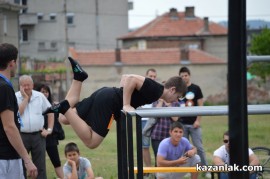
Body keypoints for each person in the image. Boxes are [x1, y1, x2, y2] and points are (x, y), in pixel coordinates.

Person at [43, 57, 187, 150]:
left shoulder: (155, 90)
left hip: (105, 94)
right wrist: (125, 104)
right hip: (109, 104)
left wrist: (128, 99)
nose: (175, 101)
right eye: (177, 97)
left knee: (64, 119)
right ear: (172, 89)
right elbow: (130, 79)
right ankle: (64, 107)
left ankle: (78, 78)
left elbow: (124, 78)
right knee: (92, 142)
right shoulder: (156, 89)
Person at [0, 43, 37, 178]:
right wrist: (27, 160)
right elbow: (9, 126)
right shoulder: (4, 87)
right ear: (12, 63)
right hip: (6, 158)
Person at [16, 75, 54, 179]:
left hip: (38, 135)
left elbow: (51, 112)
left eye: (28, 85)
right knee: (21, 165)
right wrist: (25, 99)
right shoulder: (15, 97)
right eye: (24, 85)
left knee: (40, 165)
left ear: (32, 85)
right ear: (20, 86)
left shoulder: (40, 96)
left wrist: (49, 129)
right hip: (21, 135)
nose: (26, 87)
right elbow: (17, 114)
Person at [178, 66, 211, 178]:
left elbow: (201, 106)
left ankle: (205, 169)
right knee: (185, 148)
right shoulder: (179, 90)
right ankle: (187, 170)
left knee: (199, 147)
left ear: (189, 75)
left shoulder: (196, 88)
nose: (184, 77)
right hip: (182, 124)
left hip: (194, 124)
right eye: (181, 76)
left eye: (185, 75)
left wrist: (198, 120)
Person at [36, 84, 64, 179]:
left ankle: (62, 177)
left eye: (46, 91)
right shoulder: (34, 105)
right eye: (42, 91)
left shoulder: (53, 105)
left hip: (51, 137)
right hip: (38, 136)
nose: (44, 94)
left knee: (56, 161)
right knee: (39, 162)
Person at [150, 92, 180, 166]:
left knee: (170, 158)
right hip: (157, 135)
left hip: (170, 136)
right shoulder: (156, 102)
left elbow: (175, 118)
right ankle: (157, 176)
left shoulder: (175, 103)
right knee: (158, 157)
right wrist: (160, 101)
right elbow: (155, 115)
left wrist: (168, 105)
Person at [141, 68, 157, 167]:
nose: (152, 78)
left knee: (157, 147)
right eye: (150, 76)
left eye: (154, 76)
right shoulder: (140, 88)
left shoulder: (158, 88)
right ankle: (148, 170)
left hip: (155, 120)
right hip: (143, 120)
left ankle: (159, 171)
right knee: (145, 146)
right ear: (146, 76)